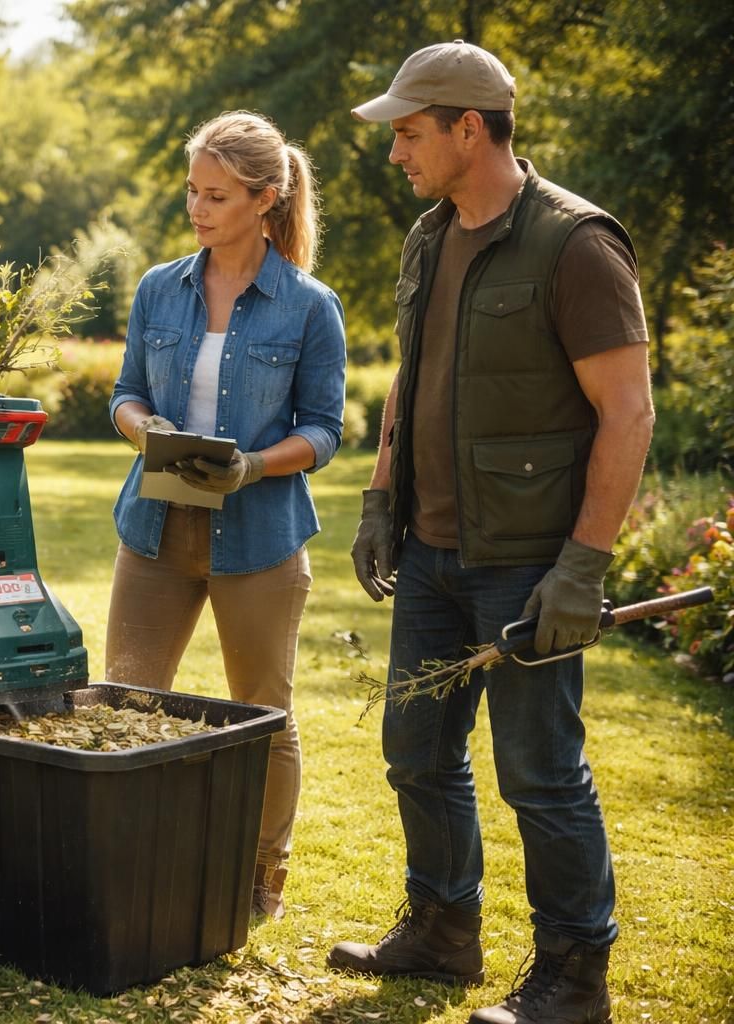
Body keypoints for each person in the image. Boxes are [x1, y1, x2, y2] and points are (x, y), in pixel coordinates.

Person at [327, 41, 654, 1024]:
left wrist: (581, 571)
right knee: (416, 747)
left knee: (540, 773)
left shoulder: (574, 244)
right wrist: (385, 496)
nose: (396, 153)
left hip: (528, 562)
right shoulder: (430, 237)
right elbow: (412, 384)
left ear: (471, 128)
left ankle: (575, 977)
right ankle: (442, 930)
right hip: (432, 554)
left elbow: (628, 413)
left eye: (411, 133)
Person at [106, 111, 347, 922]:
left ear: (266, 199)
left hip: (260, 538)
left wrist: (252, 465)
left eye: (217, 195)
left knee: (265, 717)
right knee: (127, 704)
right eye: (192, 193)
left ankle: (260, 881)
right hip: (155, 530)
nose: (199, 210)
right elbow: (124, 394)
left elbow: (325, 430)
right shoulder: (157, 288)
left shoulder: (310, 307)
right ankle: (129, 862)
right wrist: (147, 432)